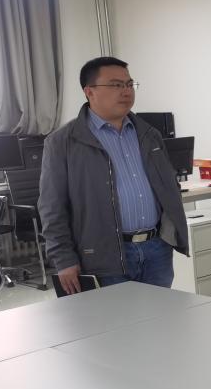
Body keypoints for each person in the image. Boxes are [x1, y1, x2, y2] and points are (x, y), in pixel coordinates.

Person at [39, 56, 189, 293]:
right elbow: (52, 207)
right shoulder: (63, 142)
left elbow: (168, 185)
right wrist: (63, 259)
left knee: (159, 315)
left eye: (129, 84)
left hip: (156, 249)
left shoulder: (149, 134)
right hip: (103, 255)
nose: (126, 91)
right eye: (116, 85)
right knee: (113, 317)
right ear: (89, 92)